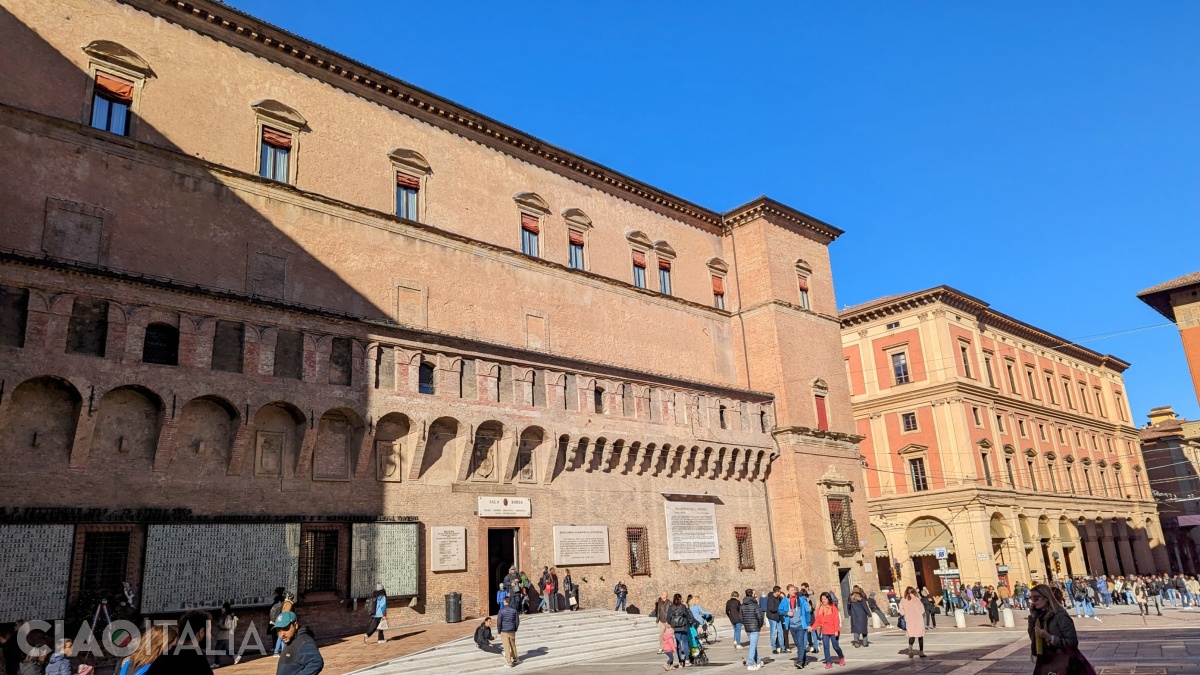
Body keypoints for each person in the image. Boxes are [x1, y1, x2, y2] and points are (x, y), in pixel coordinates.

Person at [1028, 584, 1094, 675]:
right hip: (1045, 661)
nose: (1033, 602)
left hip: (1062, 662)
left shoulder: (1060, 616)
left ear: (1046, 598)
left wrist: (1050, 638)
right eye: (1031, 598)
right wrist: (1032, 618)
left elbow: (1072, 641)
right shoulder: (1039, 616)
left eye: (1036, 598)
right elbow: (1033, 638)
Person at [147, 611, 214, 675]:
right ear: (201, 632)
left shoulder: (162, 658)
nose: (211, 636)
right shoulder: (199, 659)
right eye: (209, 632)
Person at [273, 611, 324, 675]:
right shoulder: (290, 639)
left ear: (295, 625)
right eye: (279, 630)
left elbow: (316, 662)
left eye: (286, 628)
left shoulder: (304, 642)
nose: (282, 634)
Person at [809, 592, 844, 670]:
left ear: (828, 599)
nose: (823, 600)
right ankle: (828, 662)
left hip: (833, 630)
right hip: (825, 631)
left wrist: (836, 630)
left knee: (836, 646)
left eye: (825, 599)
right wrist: (813, 627)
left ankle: (841, 657)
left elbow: (836, 620)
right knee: (826, 647)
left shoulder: (833, 608)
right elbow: (818, 619)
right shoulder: (820, 608)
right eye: (822, 599)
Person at [786, 585, 812, 669]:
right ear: (788, 591)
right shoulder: (786, 600)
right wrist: (786, 613)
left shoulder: (801, 600)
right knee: (798, 643)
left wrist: (808, 624)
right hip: (792, 625)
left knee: (800, 642)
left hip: (801, 624)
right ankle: (804, 659)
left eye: (794, 590)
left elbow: (807, 612)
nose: (793, 591)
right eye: (791, 590)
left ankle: (800, 661)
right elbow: (780, 610)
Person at [898, 587, 926, 659]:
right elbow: (922, 610)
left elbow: (901, 611)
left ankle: (910, 647)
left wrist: (904, 613)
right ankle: (921, 652)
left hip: (909, 619)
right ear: (914, 592)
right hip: (918, 619)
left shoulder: (903, 600)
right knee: (920, 636)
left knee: (911, 635)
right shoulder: (917, 599)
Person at [741, 589, 765, 671]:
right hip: (755, 627)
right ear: (752, 595)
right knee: (753, 645)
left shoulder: (742, 605)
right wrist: (760, 625)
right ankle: (750, 663)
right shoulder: (755, 605)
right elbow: (760, 616)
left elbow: (740, 617)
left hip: (747, 627)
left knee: (753, 645)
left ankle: (758, 661)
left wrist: (745, 623)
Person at [666, 594, 691, 668]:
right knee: (685, 643)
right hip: (683, 626)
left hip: (676, 628)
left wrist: (670, 624)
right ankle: (687, 660)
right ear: (680, 599)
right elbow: (688, 616)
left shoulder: (671, 607)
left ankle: (680, 662)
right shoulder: (682, 606)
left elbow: (668, 618)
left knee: (678, 644)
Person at [497, 596, 521, 667]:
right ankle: (515, 658)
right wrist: (515, 628)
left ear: (505, 601)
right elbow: (517, 621)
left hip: (504, 630)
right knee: (513, 644)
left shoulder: (501, 610)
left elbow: (499, 622)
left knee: (506, 646)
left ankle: (509, 661)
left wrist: (499, 630)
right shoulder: (514, 610)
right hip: (512, 629)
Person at [212, 602, 238, 667]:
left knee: (217, 649)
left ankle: (216, 663)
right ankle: (235, 656)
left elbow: (227, 626)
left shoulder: (228, 616)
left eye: (223, 607)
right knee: (225, 649)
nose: (222, 609)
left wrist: (220, 626)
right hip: (222, 634)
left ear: (225, 608)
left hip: (224, 635)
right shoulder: (224, 615)